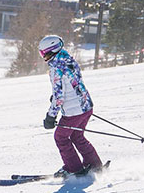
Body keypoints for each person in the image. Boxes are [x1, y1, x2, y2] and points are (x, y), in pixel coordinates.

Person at [39, 35, 103, 178]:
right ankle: (95, 165)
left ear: (53, 51)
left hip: (73, 112)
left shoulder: (56, 68)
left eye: (45, 53)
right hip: (86, 106)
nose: (44, 57)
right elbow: (72, 83)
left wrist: (50, 116)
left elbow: (58, 98)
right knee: (77, 135)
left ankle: (74, 169)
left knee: (60, 138)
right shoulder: (69, 60)